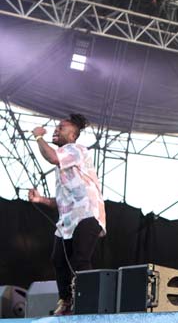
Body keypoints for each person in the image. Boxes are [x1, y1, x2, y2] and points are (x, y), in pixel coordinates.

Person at [28, 114, 106, 316]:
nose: (55, 130)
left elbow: (52, 157)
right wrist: (41, 200)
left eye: (60, 128)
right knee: (58, 259)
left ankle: (88, 302)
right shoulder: (64, 165)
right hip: (68, 220)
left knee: (80, 259)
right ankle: (66, 301)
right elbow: (62, 201)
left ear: (72, 135)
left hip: (87, 214)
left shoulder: (76, 150)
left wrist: (38, 137)